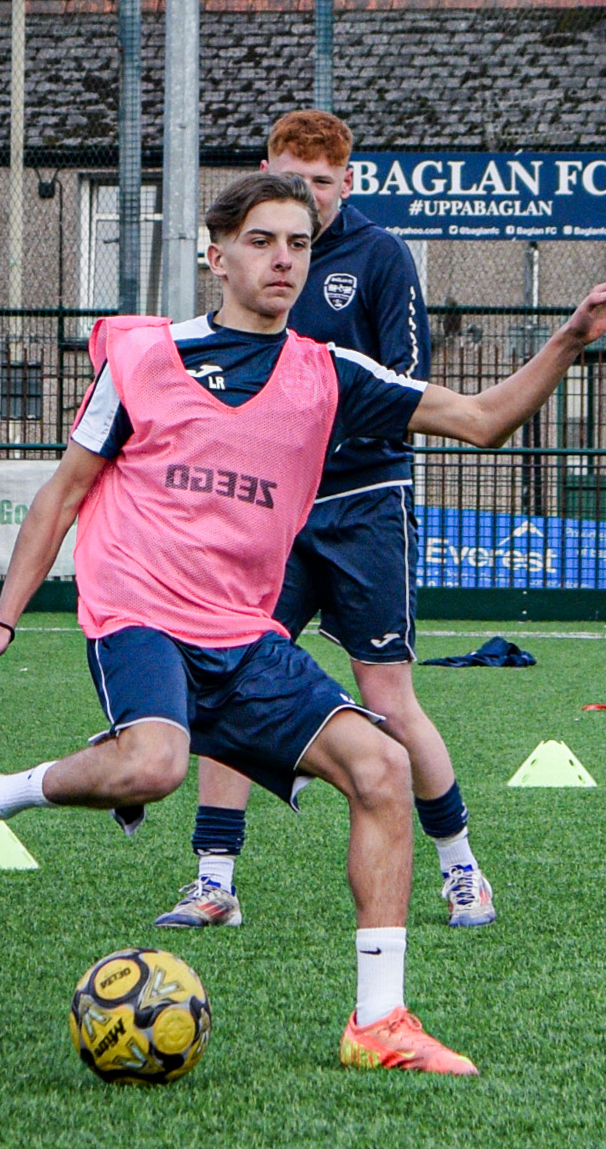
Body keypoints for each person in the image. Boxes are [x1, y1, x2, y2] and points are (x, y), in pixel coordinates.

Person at [0, 172, 606, 1075]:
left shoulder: (327, 376)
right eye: (262, 241)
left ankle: (379, 1023)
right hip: (139, 613)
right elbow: (62, 496)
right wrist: (2, 623)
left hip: (241, 635)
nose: (283, 258)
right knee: (158, 765)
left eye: (299, 243)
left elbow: (482, 421)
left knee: (381, 766)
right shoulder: (142, 360)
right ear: (218, 255)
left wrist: (569, 337)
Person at [168, 109, 494, 936]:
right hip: (268, 510)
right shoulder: (258, 259)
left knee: (387, 695)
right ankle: (213, 881)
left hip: (361, 506)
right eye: (288, 180)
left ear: (347, 183)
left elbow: (405, 382)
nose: (301, 203)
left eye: (318, 184)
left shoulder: (380, 257)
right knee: (228, 680)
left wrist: (312, 427)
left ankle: (462, 870)